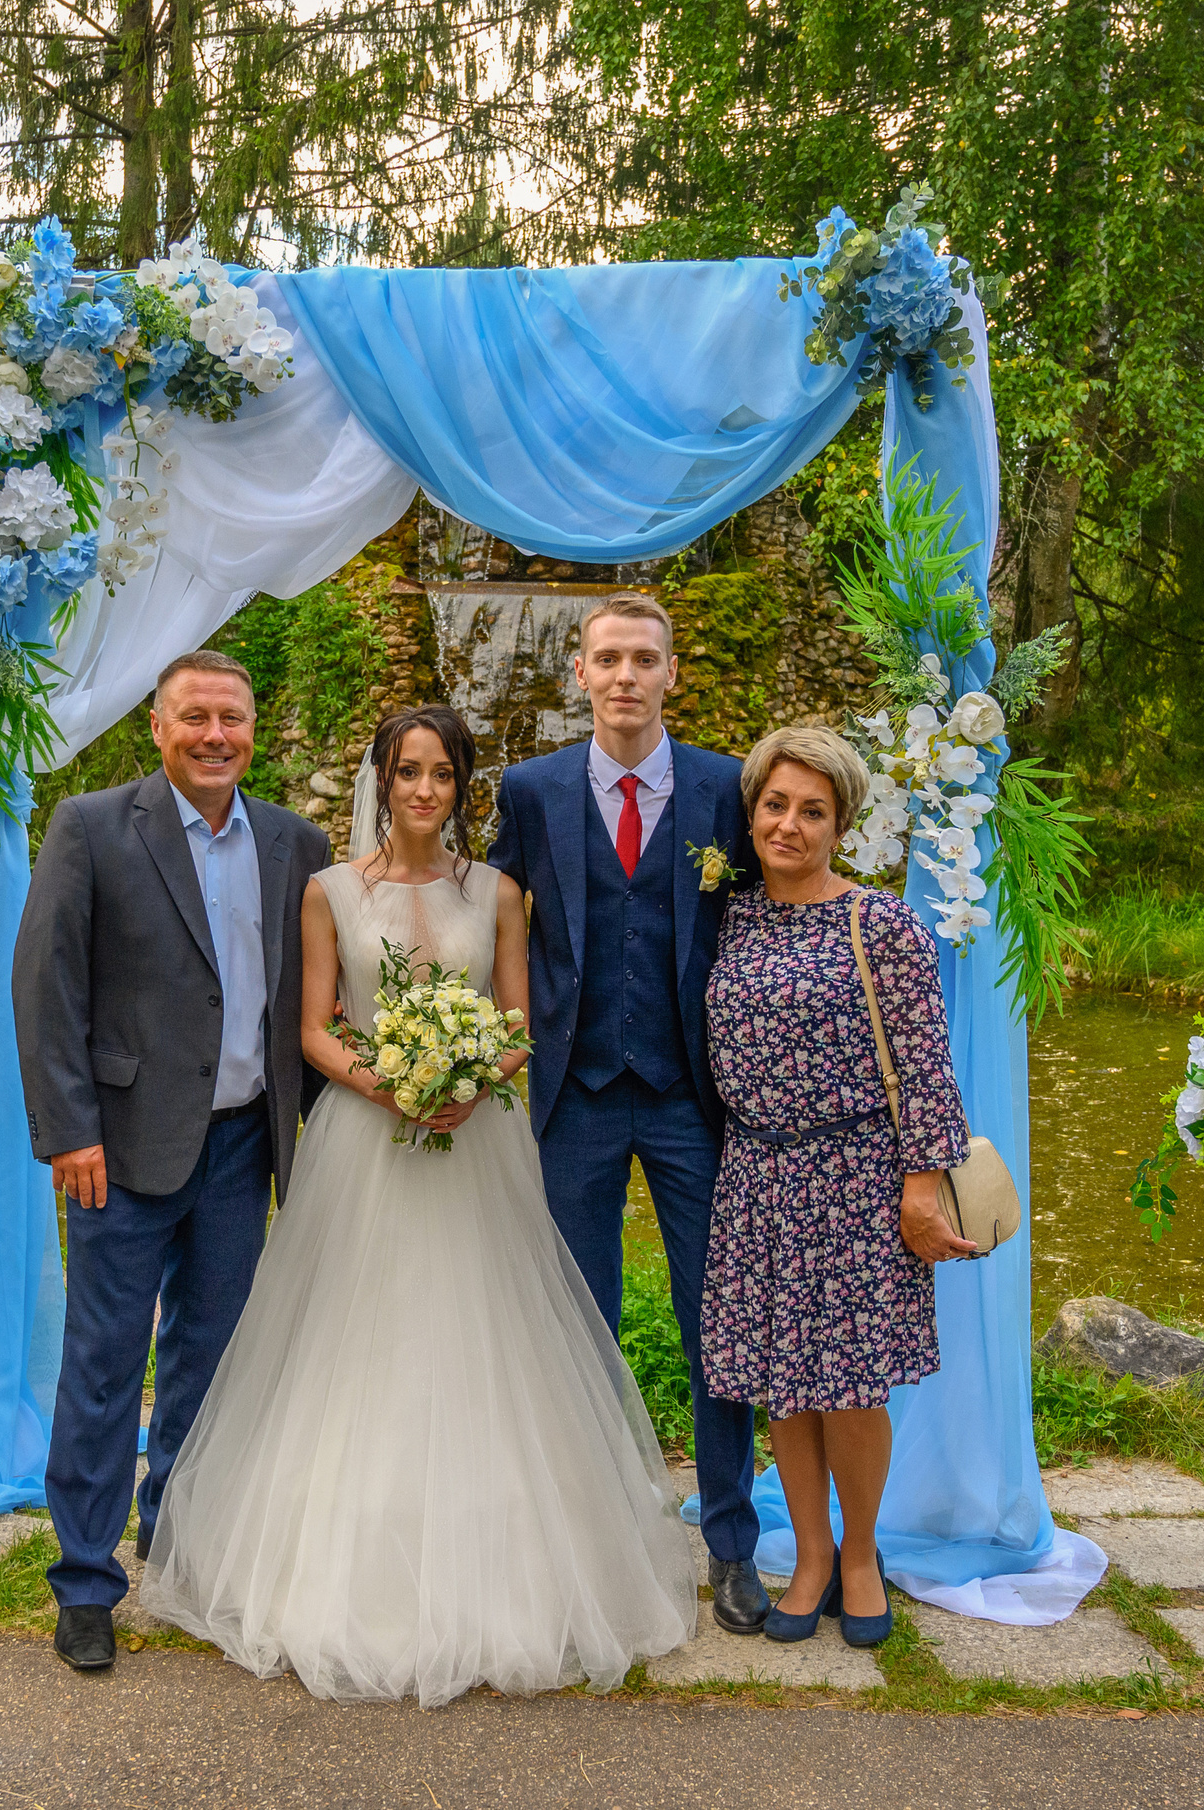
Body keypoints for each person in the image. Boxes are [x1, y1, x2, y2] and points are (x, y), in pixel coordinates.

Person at [142, 705, 695, 1706]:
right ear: (382, 781)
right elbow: (315, 1028)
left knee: (485, 1335)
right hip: (369, 1143)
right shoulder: (328, 892)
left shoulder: (499, 893)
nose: (425, 791)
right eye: (408, 773)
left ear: (462, 787)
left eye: (443, 774)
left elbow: (520, 1020)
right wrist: (394, 1084)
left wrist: (473, 1078)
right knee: (358, 1337)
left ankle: (513, 1564)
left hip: (478, 1143)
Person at [11, 649, 333, 1675]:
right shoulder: (91, 826)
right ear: (157, 727)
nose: (213, 735)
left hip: (243, 1144)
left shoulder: (295, 843)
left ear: (253, 730)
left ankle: (179, 1539)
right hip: (119, 1146)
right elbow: (47, 984)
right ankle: (84, 1580)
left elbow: (312, 998)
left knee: (211, 1358)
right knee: (104, 1365)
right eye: (194, 716)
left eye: (230, 717)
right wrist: (69, 1130)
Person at [483, 592, 773, 1635]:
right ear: (579, 672)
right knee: (577, 1324)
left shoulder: (725, 787)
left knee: (718, 1323)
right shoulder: (531, 789)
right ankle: (590, 1542)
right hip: (577, 1096)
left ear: (670, 673)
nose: (624, 676)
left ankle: (730, 1543)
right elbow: (490, 916)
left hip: (697, 1099)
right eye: (607, 658)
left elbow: (768, 909)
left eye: (643, 659)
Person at [700, 724, 973, 1650]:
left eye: (812, 811)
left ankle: (860, 1554)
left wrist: (921, 1188)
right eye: (775, 805)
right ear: (751, 813)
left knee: (851, 1385)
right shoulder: (730, 917)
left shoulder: (880, 924)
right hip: (756, 1177)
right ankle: (809, 1554)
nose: (789, 824)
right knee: (784, 1382)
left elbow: (927, 1066)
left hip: (854, 1180)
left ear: (841, 825)